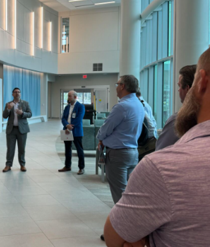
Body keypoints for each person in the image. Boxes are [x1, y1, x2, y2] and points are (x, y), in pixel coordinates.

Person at [102, 38, 210, 247]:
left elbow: (114, 235)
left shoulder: (166, 169)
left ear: (202, 82)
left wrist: (142, 236)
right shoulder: (140, 107)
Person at [96, 75, 144, 204]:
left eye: (117, 84)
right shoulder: (138, 104)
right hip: (132, 152)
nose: (116, 87)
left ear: (122, 86)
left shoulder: (122, 106)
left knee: (120, 194)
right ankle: (131, 219)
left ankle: (123, 222)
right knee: (129, 191)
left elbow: (106, 128)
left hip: (118, 155)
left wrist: (100, 138)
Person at [155, 65, 196, 150]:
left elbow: (160, 153)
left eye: (179, 86)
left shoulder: (179, 120)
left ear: (187, 89)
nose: (178, 90)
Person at [2, 88, 32, 172]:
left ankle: (22, 165)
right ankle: (8, 165)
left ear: (20, 94)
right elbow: (4, 116)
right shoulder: (8, 104)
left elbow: (30, 114)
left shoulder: (25, 103)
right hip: (11, 130)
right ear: (12, 94)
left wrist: (22, 113)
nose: (17, 93)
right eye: (15, 92)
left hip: (22, 130)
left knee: (22, 148)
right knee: (10, 148)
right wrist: (8, 109)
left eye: (19, 92)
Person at [59, 91, 86, 175]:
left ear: (75, 97)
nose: (68, 98)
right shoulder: (67, 107)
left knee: (79, 149)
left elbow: (79, 118)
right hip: (67, 131)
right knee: (67, 149)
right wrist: (67, 125)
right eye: (68, 96)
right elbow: (63, 118)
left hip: (76, 131)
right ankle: (67, 166)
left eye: (70, 96)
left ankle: (81, 168)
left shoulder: (80, 106)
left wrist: (71, 126)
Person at [134, 91, 158, 161]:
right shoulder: (145, 104)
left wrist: (147, 140)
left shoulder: (141, 107)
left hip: (146, 145)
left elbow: (151, 126)